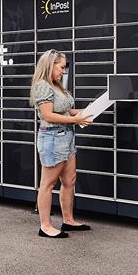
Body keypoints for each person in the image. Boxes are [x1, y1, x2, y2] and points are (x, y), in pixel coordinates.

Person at [31, 49, 92, 239]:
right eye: (61, 67)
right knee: (47, 184)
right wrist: (75, 120)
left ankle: (68, 220)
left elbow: (65, 111)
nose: (63, 71)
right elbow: (48, 115)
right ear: (50, 64)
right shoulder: (43, 86)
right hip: (52, 138)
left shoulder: (57, 85)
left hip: (66, 137)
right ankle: (45, 226)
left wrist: (83, 112)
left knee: (69, 181)